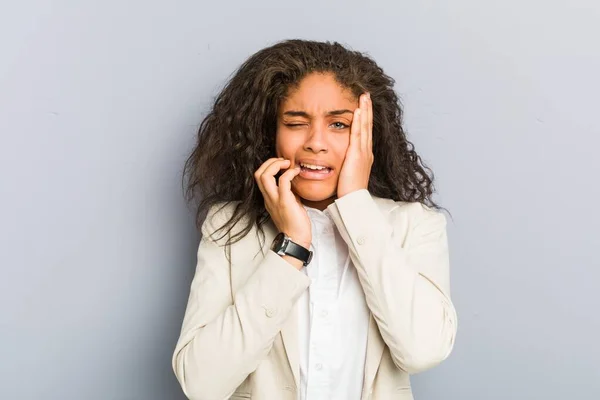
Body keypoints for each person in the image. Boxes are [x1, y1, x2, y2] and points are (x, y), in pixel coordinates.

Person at [172, 39, 457, 400]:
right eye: (295, 123)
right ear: (271, 133)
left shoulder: (414, 226)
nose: (316, 143)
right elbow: (201, 384)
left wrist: (355, 203)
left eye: (339, 124)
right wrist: (292, 245)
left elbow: (424, 350)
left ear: (368, 136)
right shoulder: (230, 226)